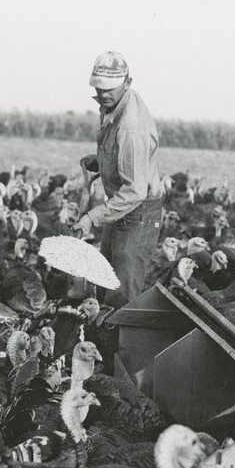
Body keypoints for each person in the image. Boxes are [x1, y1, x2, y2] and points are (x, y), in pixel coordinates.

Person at [73, 51, 164, 309]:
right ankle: (101, 334)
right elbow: (126, 158)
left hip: (138, 211)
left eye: (109, 88)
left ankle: (120, 345)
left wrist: (91, 217)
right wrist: (101, 161)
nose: (103, 94)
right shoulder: (115, 104)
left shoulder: (130, 127)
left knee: (122, 292)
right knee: (106, 276)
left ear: (128, 82)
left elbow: (135, 191)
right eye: (98, 88)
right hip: (122, 205)